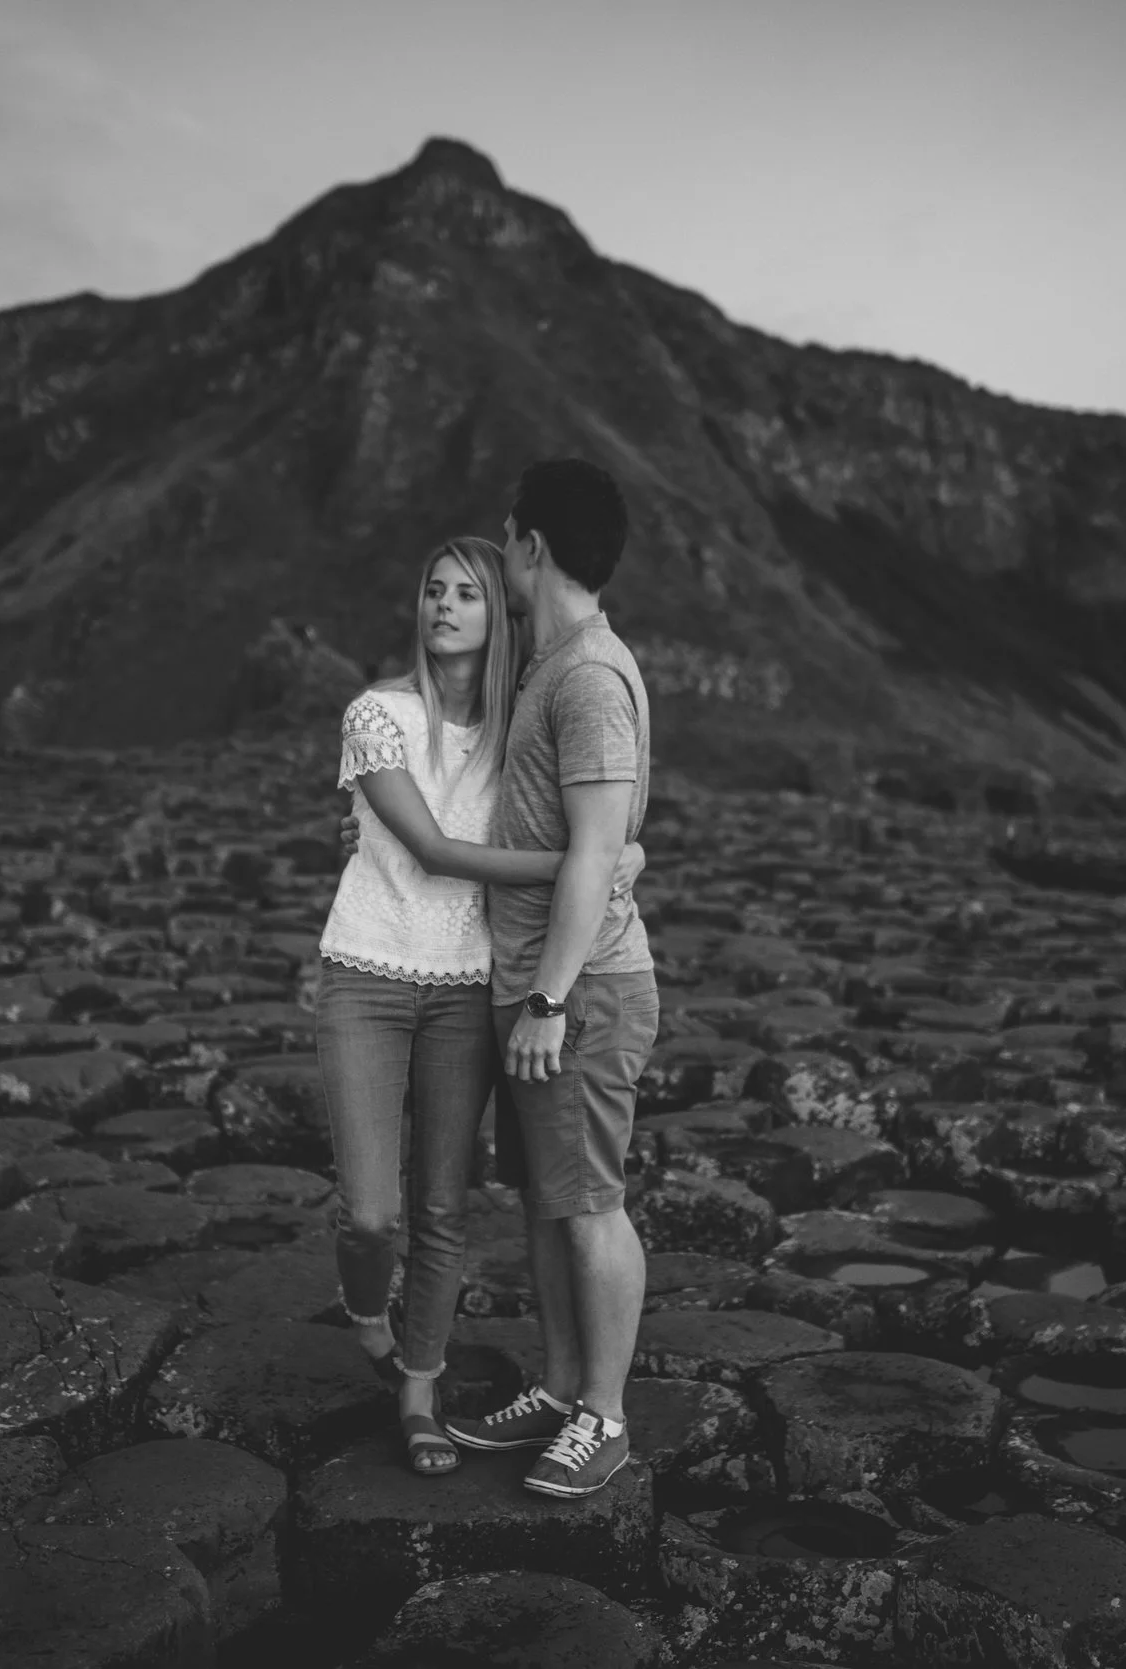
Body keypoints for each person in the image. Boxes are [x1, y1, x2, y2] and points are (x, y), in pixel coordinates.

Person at [314, 534, 643, 1477]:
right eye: (432, 590)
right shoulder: (376, 712)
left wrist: (625, 850)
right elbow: (433, 850)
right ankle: (369, 1312)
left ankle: (420, 1392)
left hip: (468, 983)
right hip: (366, 972)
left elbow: (601, 812)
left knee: (445, 1206)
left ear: (500, 613)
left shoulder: (517, 729)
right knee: (372, 1214)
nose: (445, 605)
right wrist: (589, 862)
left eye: (468, 591)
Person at [440, 459, 660, 1501]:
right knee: (545, 1202)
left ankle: (606, 1417)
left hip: (581, 989)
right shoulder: (547, 662)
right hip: (534, 984)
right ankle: (565, 1385)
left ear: (532, 547)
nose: (499, 551)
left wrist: (550, 998)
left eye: (506, 535)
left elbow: (594, 850)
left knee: (589, 1205)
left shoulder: (587, 676)